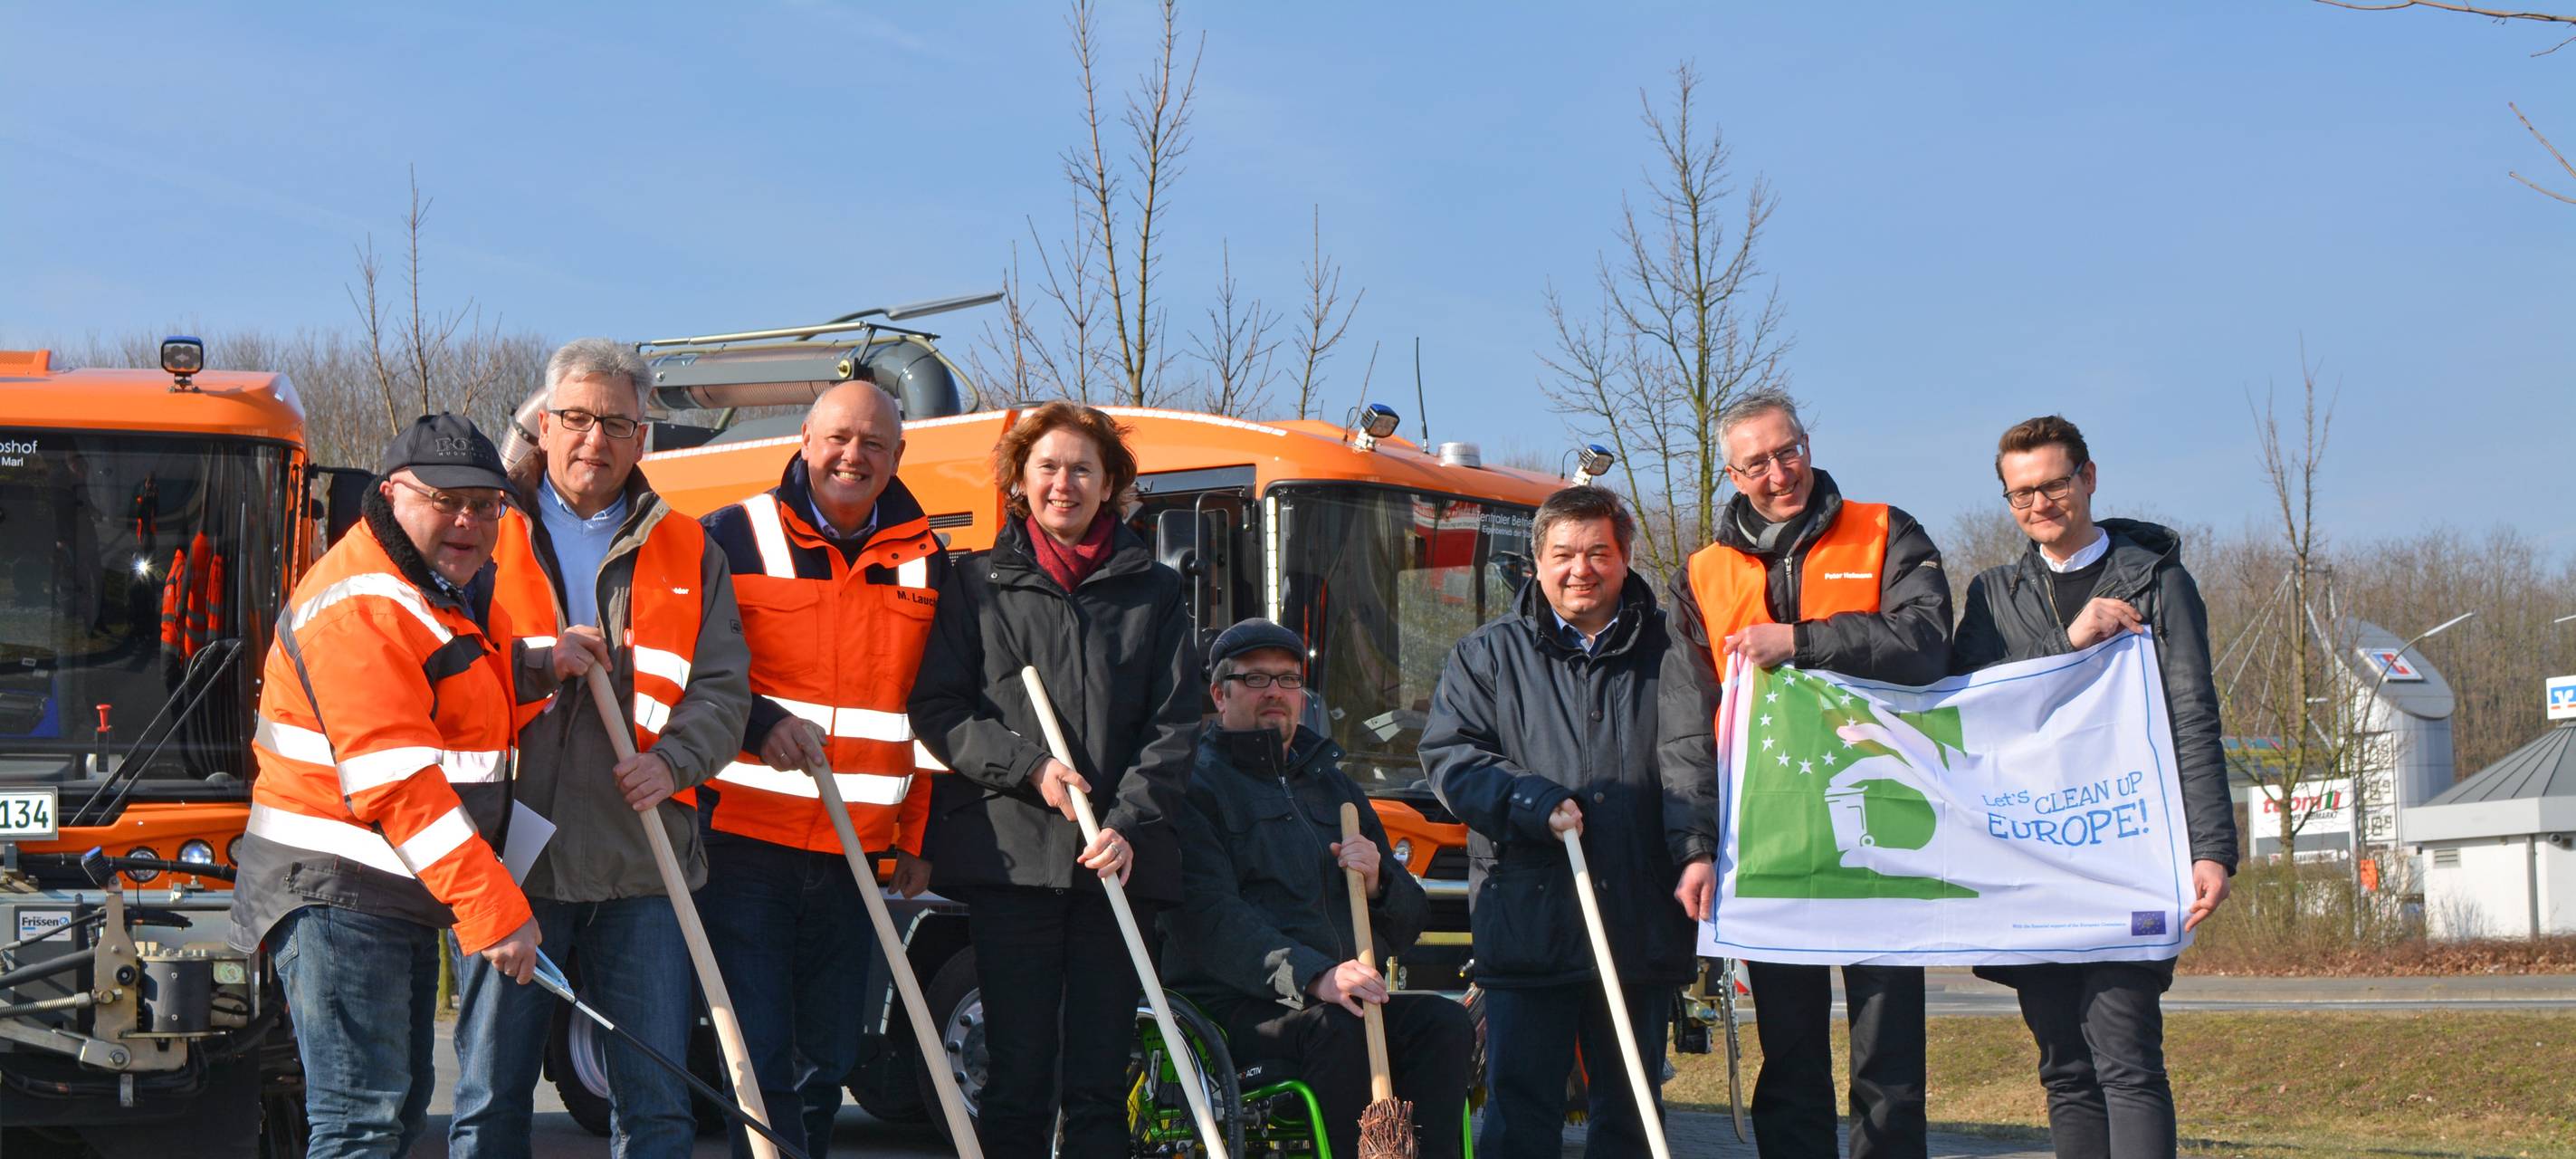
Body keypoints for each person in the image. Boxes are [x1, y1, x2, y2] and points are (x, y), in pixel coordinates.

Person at [228, 414, 602, 1158]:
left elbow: (446, 685)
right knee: (361, 1124)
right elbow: (400, 785)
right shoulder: (362, 604)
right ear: (392, 494)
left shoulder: (420, 587)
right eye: (445, 500)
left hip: (381, 890)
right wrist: (496, 911)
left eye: (485, 505)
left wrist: (538, 663)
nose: (468, 521)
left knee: (393, 1120)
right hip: (337, 893)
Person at [452, 340, 755, 1159]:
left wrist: (675, 761)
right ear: (544, 426)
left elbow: (725, 689)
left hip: (643, 862)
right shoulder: (479, 533)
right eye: (578, 419)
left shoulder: (691, 547)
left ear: (643, 438)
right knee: (488, 1099)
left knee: (656, 1108)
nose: (596, 439)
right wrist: (536, 665)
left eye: (617, 422)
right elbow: (439, 675)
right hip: (509, 861)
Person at [1658, 388, 1952, 1159]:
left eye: (1787, 451)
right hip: (1770, 832)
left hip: (1881, 820)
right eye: (1755, 463)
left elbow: (1925, 643)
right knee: (1787, 1051)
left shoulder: (1887, 532)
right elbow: (1687, 725)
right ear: (1731, 473)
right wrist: (1694, 843)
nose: (1778, 473)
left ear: (1809, 445)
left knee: (1888, 1050)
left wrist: (1803, 641)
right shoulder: (1702, 574)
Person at [909, 400, 1196, 1159]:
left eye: (1082, 470)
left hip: (1117, 867)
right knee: (1016, 1075)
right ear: (1019, 481)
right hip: (1014, 863)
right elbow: (938, 710)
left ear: (1110, 486)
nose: (1063, 484)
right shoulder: (972, 584)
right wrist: (1027, 766)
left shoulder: (1156, 594)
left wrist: (1129, 824)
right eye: (1048, 468)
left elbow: (1175, 727)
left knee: (1102, 1079)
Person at [1951, 416, 2237, 1159]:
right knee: (2064, 1068)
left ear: (2089, 478)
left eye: (2053, 485)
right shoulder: (1991, 595)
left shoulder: (2158, 580)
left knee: (2127, 1056)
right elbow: (1970, 709)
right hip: (2031, 858)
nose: (2040, 504)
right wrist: (2068, 642)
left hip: (2129, 849)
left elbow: (2192, 717)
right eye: (2021, 495)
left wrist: (2212, 849)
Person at [696, 380, 951, 1159]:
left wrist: (914, 837)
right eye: (839, 437)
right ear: (805, 438)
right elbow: (689, 676)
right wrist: (757, 723)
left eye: (874, 443)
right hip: (744, 845)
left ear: (899, 456)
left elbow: (928, 716)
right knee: (760, 1054)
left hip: (857, 856)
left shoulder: (928, 563)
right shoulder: (727, 537)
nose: (854, 455)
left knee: (829, 1057)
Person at [1420, 484, 1695, 1159]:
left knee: (1632, 1112)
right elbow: (1451, 759)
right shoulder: (1487, 655)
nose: (1582, 569)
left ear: (1626, 557)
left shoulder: (1675, 652)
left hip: (1640, 918)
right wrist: (1531, 801)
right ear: (1536, 562)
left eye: (1599, 552)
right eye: (1564, 554)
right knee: (1521, 1114)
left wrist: (1697, 851)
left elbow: (1698, 762)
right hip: (1529, 922)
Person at [1165, 618, 1473, 1159]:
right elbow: (1209, 923)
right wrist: (1315, 976)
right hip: (1235, 1009)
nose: (1276, 694)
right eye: (1256, 680)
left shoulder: (1335, 786)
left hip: (1337, 1003)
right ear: (1220, 692)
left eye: (1288, 680)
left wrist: (1380, 884)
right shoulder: (1194, 785)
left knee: (1442, 1023)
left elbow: (1408, 924)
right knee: (1338, 1028)